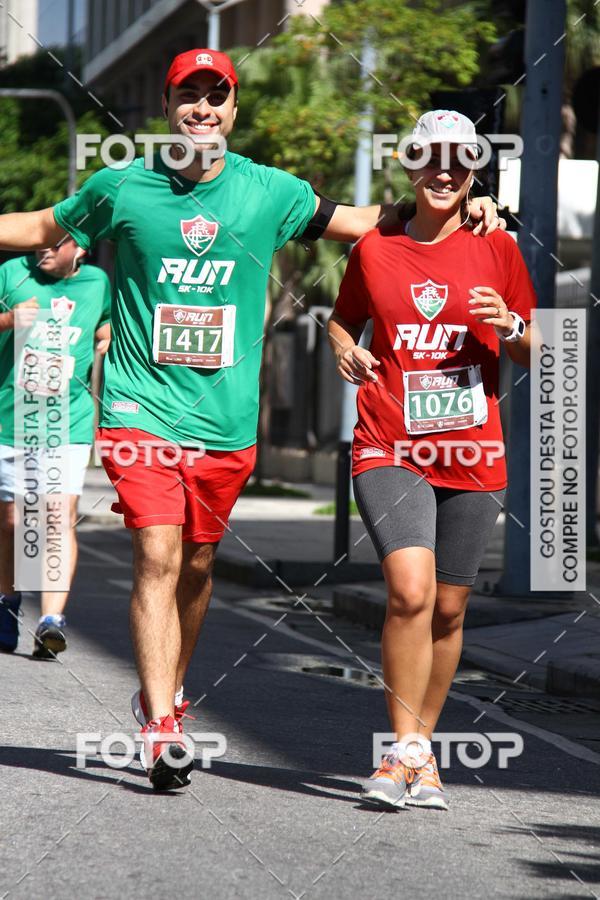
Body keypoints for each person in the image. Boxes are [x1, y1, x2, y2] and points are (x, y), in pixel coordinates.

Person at [0, 51, 503, 791]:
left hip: (229, 421)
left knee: (198, 565)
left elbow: (365, 222)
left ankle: (164, 688)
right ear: (167, 104)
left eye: (217, 96)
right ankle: (163, 726)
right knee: (157, 555)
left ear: (233, 109)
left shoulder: (270, 192)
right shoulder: (122, 187)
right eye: (189, 95)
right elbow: (43, 222)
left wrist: (468, 208)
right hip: (141, 409)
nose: (202, 108)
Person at [328, 110, 536, 810]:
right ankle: (398, 753)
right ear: (409, 165)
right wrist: (341, 346)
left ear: (475, 168)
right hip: (389, 442)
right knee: (410, 591)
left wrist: (509, 325)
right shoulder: (376, 247)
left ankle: (422, 749)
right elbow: (342, 316)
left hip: (472, 451)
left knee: (449, 609)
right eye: (429, 159)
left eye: (458, 160)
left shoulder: (497, 246)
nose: (443, 171)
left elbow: (537, 344)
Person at [0, 239, 111, 658]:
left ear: (80, 248)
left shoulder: (98, 281)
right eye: (39, 240)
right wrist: (10, 319)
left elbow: (106, 320)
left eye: (56, 241)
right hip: (11, 418)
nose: (43, 248)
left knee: (57, 517)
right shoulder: (12, 273)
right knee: (12, 521)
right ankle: (8, 603)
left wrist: (106, 334)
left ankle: (51, 620)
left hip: (70, 420)